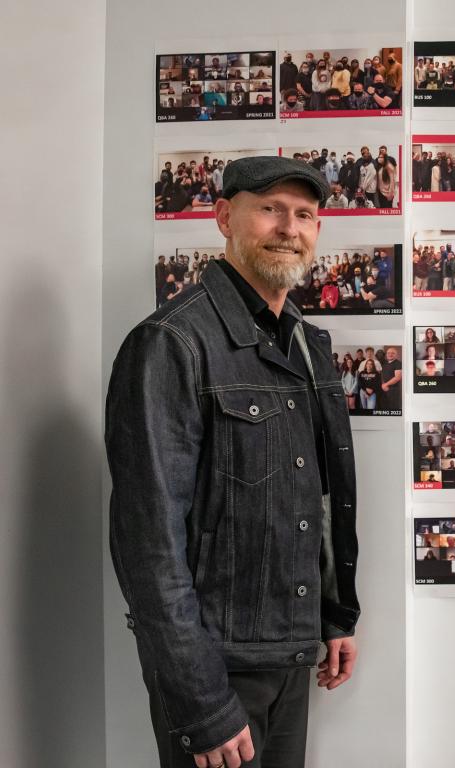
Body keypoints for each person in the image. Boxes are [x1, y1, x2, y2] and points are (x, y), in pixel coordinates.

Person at [107, 157, 359, 768]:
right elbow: (149, 544)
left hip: (292, 653)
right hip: (217, 671)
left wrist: (334, 613)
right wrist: (200, 700)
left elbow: (317, 496)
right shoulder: (172, 342)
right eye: (270, 208)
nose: (288, 227)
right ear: (224, 217)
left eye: (304, 215)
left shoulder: (307, 341)